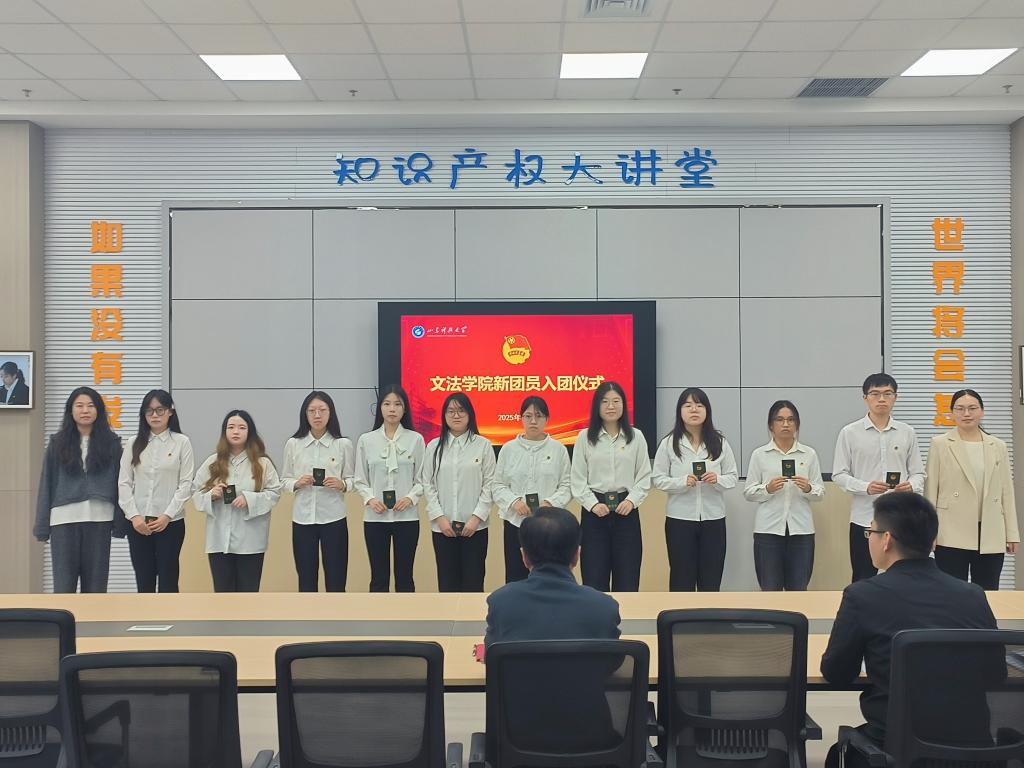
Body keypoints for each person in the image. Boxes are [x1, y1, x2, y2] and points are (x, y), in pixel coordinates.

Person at [820, 492, 997, 767]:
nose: (869, 539)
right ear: (933, 542)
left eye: (870, 532)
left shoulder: (863, 596)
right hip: (974, 754)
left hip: (894, 750)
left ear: (887, 539)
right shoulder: (973, 595)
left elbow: (836, 673)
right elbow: (995, 673)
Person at [833, 373, 925, 582]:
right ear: (865, 398)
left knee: (905, 577)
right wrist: (866, 487)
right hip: (864, 519)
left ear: (895, 397)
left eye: (887, 394)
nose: (881, 399)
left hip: (901, 518)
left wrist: (911, 485)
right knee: (863, 577)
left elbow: (919, 473)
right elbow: (839, 474)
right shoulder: (849, 432)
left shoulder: (907, 432)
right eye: (875, 394)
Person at [925, 388, 1019, 590]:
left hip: (990, 530)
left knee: (988, 590)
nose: (966, 414)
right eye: (960, 409)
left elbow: (1006, 492)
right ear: (952, 413)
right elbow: (930, 491)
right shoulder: (940, 444)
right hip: (950, 531)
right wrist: (929, 532)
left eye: (972, 408)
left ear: (982, 411)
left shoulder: (998, 446)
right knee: (950, 592)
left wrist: (1012, 534)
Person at [484, 507, 620, 646]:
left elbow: (492, 654)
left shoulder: (500, 603)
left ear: (524, 556)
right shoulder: (605, 608)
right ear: (577, 555)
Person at [34, 387, 123, 593]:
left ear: (99, 410)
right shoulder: (57, 443)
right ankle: (65, 617)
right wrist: (42, 526)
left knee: (96, 587)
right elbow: (46, 484)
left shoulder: (112, 443)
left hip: (100, 520)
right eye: (79, 406)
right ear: (70, 410)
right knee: (64, 587)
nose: (85, 410)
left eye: (91, 406)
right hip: (63, 521)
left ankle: (94, 617)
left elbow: (121, 483)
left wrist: (120, 524)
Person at [652, 387, 737, 592]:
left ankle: (708, 613)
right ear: (679, 411)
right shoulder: (669, 443)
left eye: (699, 405)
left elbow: (732, 477)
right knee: (681, 578)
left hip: (713, 519)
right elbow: (658, 479)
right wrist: (682, 482)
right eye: (688, 405)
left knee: (711, 578)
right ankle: (681, 614)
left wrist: (717, 480)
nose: (694, 410)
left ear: (707, 411)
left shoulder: (720, 442)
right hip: (680, 520)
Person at [571, 381, 651, 592]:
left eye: (616, 401)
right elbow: (577, 479)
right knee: (594, 579)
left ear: (624, 405)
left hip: (627, 511)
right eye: (605, 401)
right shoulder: (584, 437)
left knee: (628, 578)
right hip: (594, 512)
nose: (611, 406)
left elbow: (644, 476)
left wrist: (631, 501)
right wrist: (592, 504)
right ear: (597, 406)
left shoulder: (636, 436)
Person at [192, 410, 282, 592]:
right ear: (224, 431)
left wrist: (249, 499)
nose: (235, 431)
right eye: (231, 427)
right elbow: (196, 491)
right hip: (219, 541)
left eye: (241, 427)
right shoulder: (213, 462)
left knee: (248, 594)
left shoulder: (262, 463)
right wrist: (212, 494)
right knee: (223, 594)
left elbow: (274, 493)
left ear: (249, 432)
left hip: (251, 541)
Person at [117, 390, 194, 593]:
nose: (155, 415)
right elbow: (124, 483)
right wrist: (134, 517)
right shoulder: (133, 443)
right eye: (149, 411)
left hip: (171, 523)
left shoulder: (181, 442)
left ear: (170, 412)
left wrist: (167, 516)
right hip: (138, 524)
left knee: (169, 581)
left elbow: (186, 484)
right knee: (144, 582)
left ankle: (170, 615)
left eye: (160, 410)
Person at [743, 400, 824, 591]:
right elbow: (748, 492)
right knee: (770, 588)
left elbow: (820, 492)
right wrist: (768, 489)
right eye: (779, 420)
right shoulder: (760, 454)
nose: (786, 424)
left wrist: (808, 488)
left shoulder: (809, 454)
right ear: (771, 425)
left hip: (801, 530)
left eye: (791, 420)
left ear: (797, 425)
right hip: (768, 530)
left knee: (798, 588)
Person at [354, 385, 425, 592]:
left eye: (397, 404)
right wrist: (370, 499)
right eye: (387, 404)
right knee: (378, 578)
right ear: (380, 408)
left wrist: (410, 498)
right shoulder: (366, 440)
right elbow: (360, 479)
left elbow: (423, 479)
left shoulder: (416, 439)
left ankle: (407, 613)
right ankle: (378, 613)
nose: (392, 409)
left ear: (405, 409)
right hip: (375, 517)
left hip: (407, 517)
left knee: (405, 577)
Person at [281, 391, 355, 592]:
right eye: (312, 410)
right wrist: (297, 483)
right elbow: (284, 480)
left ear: (331, 413)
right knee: (306, 579)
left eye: (322, 410)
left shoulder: (342, 444)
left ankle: (336, 613)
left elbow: (353, 480)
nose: (317, 415)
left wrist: (343, 484)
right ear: (304, 414)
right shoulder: (293, 444)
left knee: (336, 579)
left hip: (334, 518)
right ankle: (308, 613)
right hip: (303, 519)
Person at [493, 396, 572, 583]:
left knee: (549, 578)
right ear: (521, 418)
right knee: (516, 578)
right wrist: (514, 502)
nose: (533, 421)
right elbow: (497, 485)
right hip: (516, 523)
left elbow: (567, 485)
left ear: (547, 419)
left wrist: (550, 503)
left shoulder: (558, 449)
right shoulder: (508, 449)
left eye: (539, 416)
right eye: (528, 416)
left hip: (549, 525)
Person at [423, 392, 496, 592]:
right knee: (447, 585)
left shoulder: (483, 445)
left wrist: (476, 518)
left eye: (461, 410)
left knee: (474, 584)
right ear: (444, 415)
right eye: (451, 411)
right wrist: (439, 517)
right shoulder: (433, 446)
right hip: (443, 528)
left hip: (475, 529)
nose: (456, 415)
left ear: (470, 414)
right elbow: (427, 484)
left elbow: (490, 484)